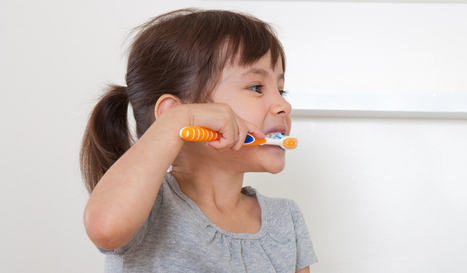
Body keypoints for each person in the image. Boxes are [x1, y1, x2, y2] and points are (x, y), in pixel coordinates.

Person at [80, 8, 317, 272]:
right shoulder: (148, 208)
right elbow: (105, 227)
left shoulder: (285, 220)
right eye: (256, 87)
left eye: (281, 89)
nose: (284, 105)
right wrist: (178, 121)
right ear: (174, 114)